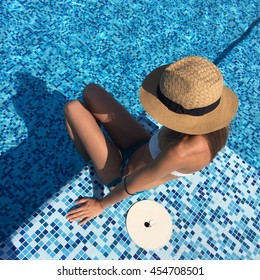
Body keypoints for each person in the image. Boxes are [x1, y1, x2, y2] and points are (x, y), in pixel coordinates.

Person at [64, 56, 238, 225]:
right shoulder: (213, 119)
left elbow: (131, 186)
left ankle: (91, 161)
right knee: (91, 91)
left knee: (72, 108)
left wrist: (100, 205)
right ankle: (94, 150)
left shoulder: (182, 150)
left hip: (123, 175)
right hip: (141, 145)